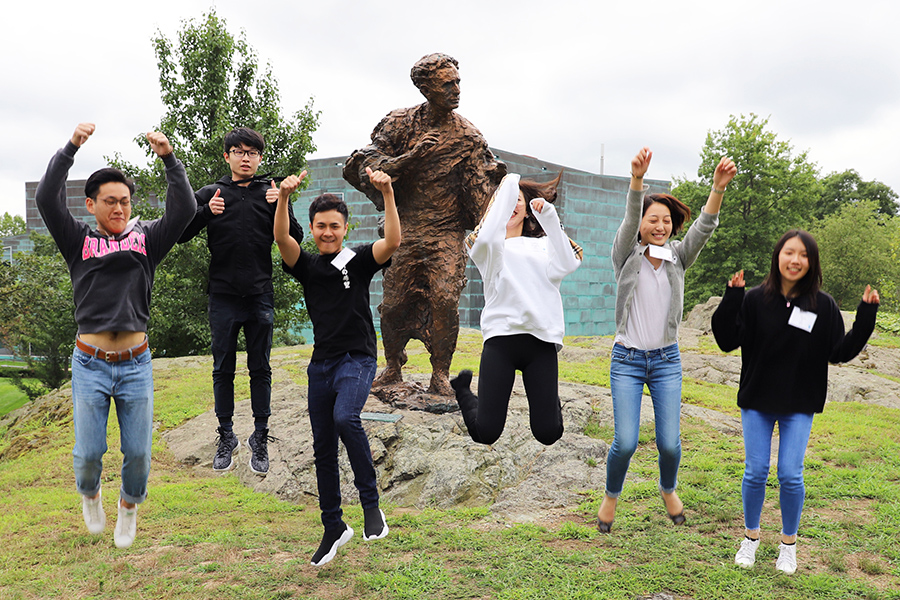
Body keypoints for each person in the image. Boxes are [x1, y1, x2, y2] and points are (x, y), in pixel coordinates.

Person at [35, 123, 194, 548]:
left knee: (138, 454)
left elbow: (185, 211)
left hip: (136, 363)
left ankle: (129, 506)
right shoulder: (77, 240)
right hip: (89, 362)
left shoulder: (147, 240)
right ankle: (90, 494)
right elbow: (45, 198)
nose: (119, 208)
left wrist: (169, 158)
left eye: (125, 201)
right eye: (110, 201)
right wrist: (70, 148)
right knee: (88, 454)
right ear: (91, 205)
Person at [711, 230, 879, 574]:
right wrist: (732, 297)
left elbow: (840, 352)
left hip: (800, 402)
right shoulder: (755, 299)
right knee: (755, 471)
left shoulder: (824, 305)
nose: (795, 260)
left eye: (803, 255)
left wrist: (866, 316)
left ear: (811, 263)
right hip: (757, 399)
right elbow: (726, 340)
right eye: (789, 252)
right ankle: (751, 538)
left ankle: (789, 545)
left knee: (790, 474)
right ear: (778, 256)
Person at [343, 52, 506, 398]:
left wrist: (501, 194)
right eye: (448, 83)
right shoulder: (400, 124)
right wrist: (410, 158)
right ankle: (392, 366)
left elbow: (480, 196)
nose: (457, 89)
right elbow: (366, 163)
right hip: (404, 230)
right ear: (425, 88)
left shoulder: (468, 137)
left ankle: (440, 373)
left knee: (445, 298)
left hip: (446, 233)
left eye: (458, 82)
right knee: (393, 302)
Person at [596, 147, 737, 533]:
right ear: (641, 224)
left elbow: (704, 226)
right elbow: (627, 220)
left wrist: (717, 188)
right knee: (624, 442)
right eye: (652, 220)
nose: (660, 225)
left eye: (666, 221)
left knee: (670, 444)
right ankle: (611, 496)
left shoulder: (678, 256)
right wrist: (637, 181)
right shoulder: (626, 255)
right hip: (626, 360)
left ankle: (667, 488)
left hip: (666, 362)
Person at [274, 166, 399, 567]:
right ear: (311, 228)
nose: (327, 233)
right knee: (323, 447)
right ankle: (333, 526)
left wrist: (388, 194)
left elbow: (393, 240)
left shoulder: (359, 260)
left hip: (357, 358)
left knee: (347, 418)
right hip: (321, 366)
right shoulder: (308, 266)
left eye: (334, 226)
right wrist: (283, 199)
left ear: (345, 228)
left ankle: (371, 507)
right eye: (320, 227)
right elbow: (281, 238)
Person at [178, 127, 303, 475]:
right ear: (227, 156)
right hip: (222, 295)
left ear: (260, 158)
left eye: (252, 152)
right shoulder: (211, 192)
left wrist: (282, 204)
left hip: (260, 294)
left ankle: (260, 435)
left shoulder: (270, 192)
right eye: (238, 151)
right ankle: (226, 435)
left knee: (260, 368)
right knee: (223, 368)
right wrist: (205, 212)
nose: (245, 157)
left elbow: (296, 237)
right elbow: (180, 235)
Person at [450, 171, 582, 445]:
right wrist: (509, 184)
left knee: (548, 433)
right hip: (501, 343)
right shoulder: (489, 248)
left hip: (541, 342)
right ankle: (462, 390)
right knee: (486, 433)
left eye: (518, 201)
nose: (512, 204)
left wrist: (548, 218)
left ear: (526, 209)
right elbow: (487, 237)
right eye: (506, 201)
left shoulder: (545, 245)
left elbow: (569, 263)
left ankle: (548, 394)